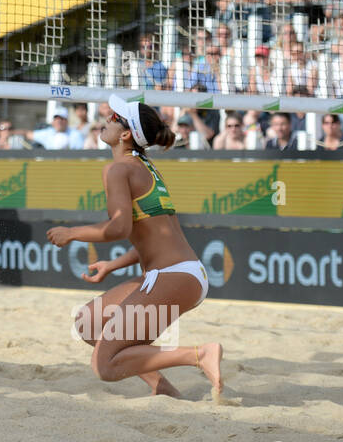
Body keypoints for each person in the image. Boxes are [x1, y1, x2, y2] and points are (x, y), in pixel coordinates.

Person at [47, 95, 223, 399]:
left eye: (114, 118)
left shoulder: (118, 170)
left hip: (172, 276)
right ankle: (163, 388)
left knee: (105, 366)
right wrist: (112, 265)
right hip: (182, 273)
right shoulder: (144, 165)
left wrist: (72, 233)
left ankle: (199, 354)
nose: (106, 118)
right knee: (89, 323)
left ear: (126, 134)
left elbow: (119, 228)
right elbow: (152, 236)